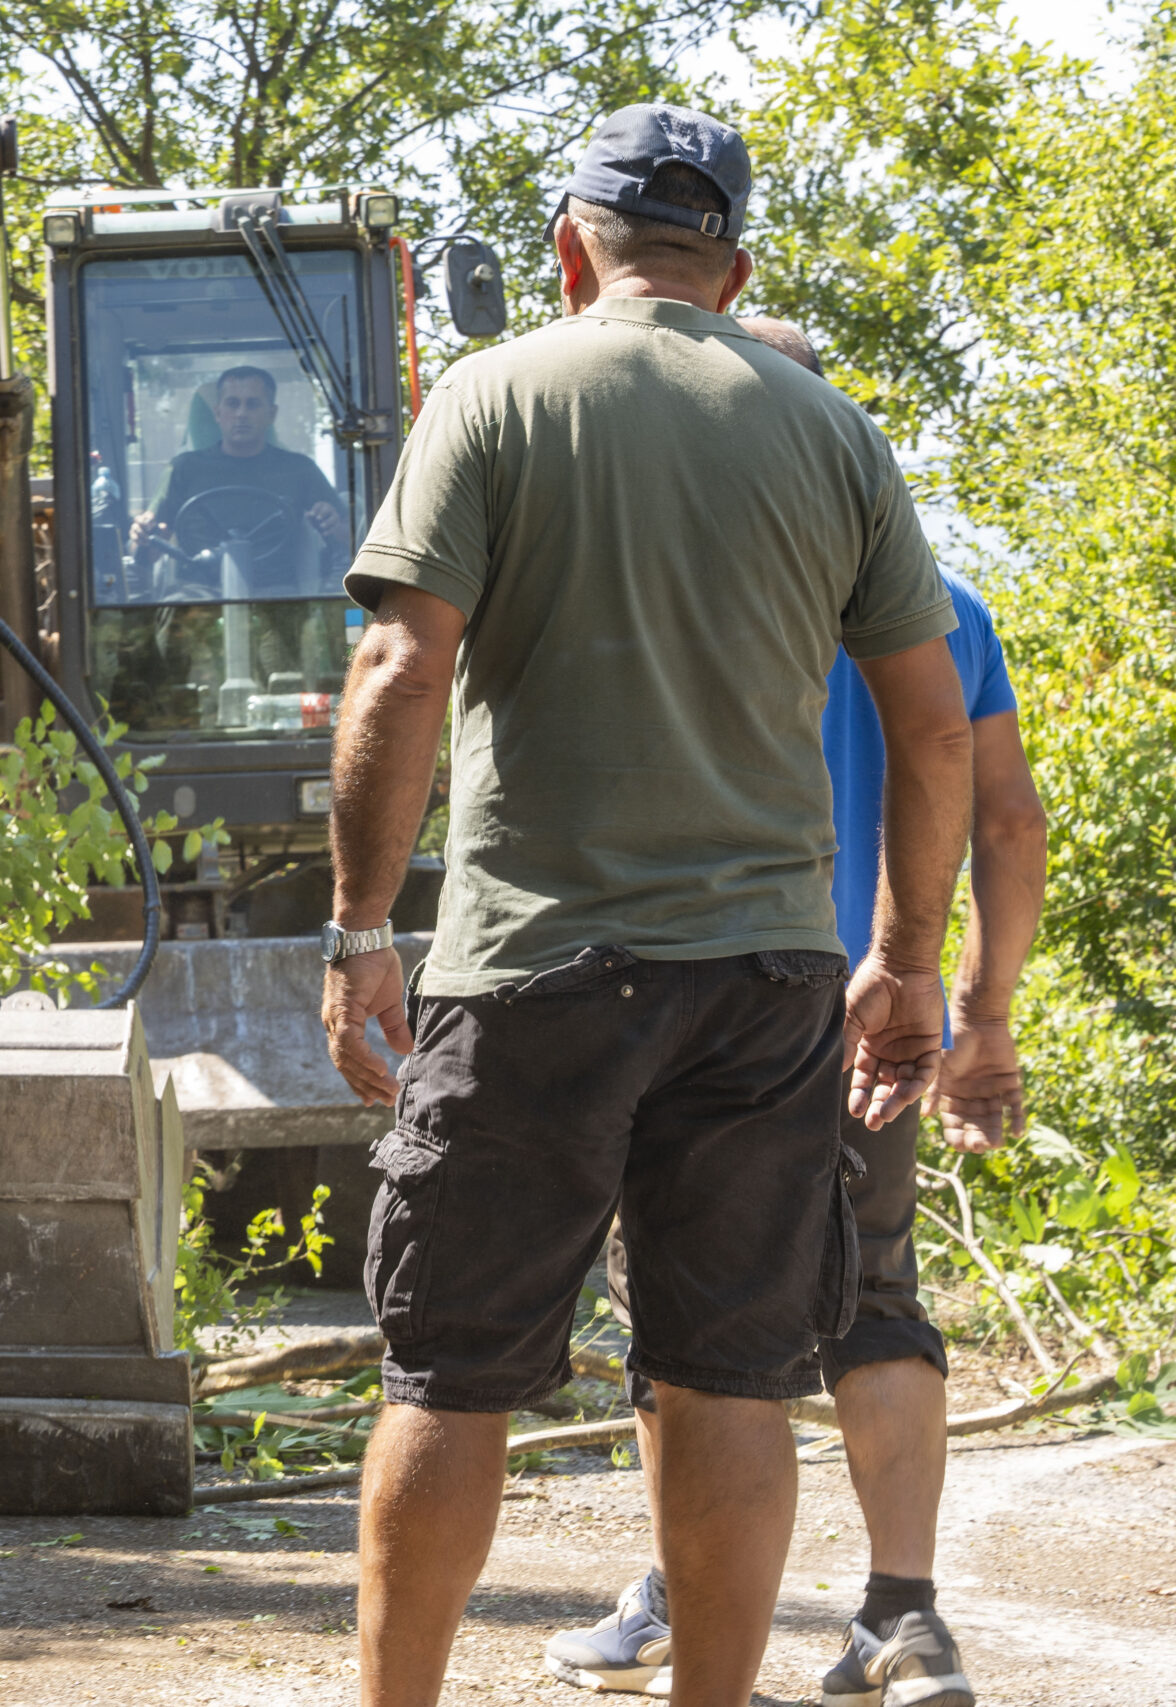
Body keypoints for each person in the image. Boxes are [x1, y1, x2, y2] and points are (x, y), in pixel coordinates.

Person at [315, 102, 976, 1707]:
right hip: (766, 979)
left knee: (451, 1368)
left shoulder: (493, 395)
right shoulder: (831, 431)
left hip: (533, 965)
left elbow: (400, 664)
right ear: (732, 269)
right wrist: (906, 962)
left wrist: (360, 927)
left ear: (571, 250)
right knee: (731, 1369)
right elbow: (934, 725)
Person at [543, 317, 1047, 1707]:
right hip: (880, 1011)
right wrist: (982, 1014)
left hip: (700, 1002)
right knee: (874, 1291)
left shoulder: (669, 589)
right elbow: (1007, 821)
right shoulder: (942, 604)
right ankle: (904, 1616)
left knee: (684, 1313)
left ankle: (678, 1600)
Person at [128, 364, 347, 572]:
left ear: (271, 414)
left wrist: (332, 525)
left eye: (252, 404)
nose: (241, 413)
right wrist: (143, 536)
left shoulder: (300, 469)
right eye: (232, 404)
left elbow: (351, 541)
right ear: (217, 413)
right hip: (196, 592)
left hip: (281, 592)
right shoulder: (183, 469)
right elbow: (144, 554)